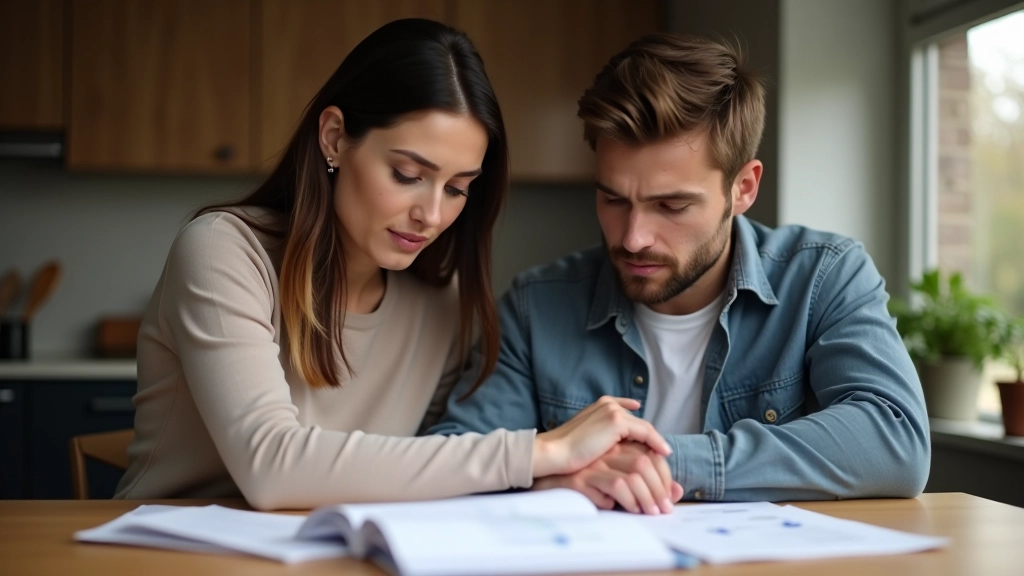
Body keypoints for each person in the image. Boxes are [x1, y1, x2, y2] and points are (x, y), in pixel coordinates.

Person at [115, 19, 670, 510]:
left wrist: (548, 484)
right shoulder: (224, 251)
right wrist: (540, 451)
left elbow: (422, 469)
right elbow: (270, 467)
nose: (430, 214)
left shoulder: (439, 298)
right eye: (407, 174)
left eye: (457, 189)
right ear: (335, 138)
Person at [428, 33, 931, 514]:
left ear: (744, 188)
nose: (633, 237)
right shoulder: (537, 306)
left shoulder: (824, 277)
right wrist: (550, 473)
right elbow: (452, 457)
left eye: (671, 205)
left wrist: (664, 461)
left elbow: (894, 440)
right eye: (612, 198)